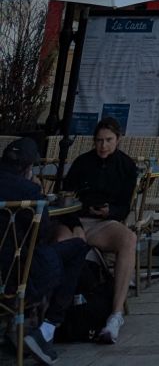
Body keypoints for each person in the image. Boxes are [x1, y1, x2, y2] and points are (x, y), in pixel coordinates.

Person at [1, 136, 90, 363]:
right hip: (16, 275)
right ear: (29, 167)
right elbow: (42, 235)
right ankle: (47, 328)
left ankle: (20, 326)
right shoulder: (29, 191)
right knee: (77, 247)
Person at [62, 116, 141, 346]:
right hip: (78, 220)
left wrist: (110, 211)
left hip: (104, 222)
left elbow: (125, 206)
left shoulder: (125, 166)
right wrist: (76, 222)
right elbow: (65, 197)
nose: (103, 146)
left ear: (118, 140)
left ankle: (116, 314)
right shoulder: (83, 163)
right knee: (62, 240)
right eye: (98, 141)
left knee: (129, 239)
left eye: (108, 140)